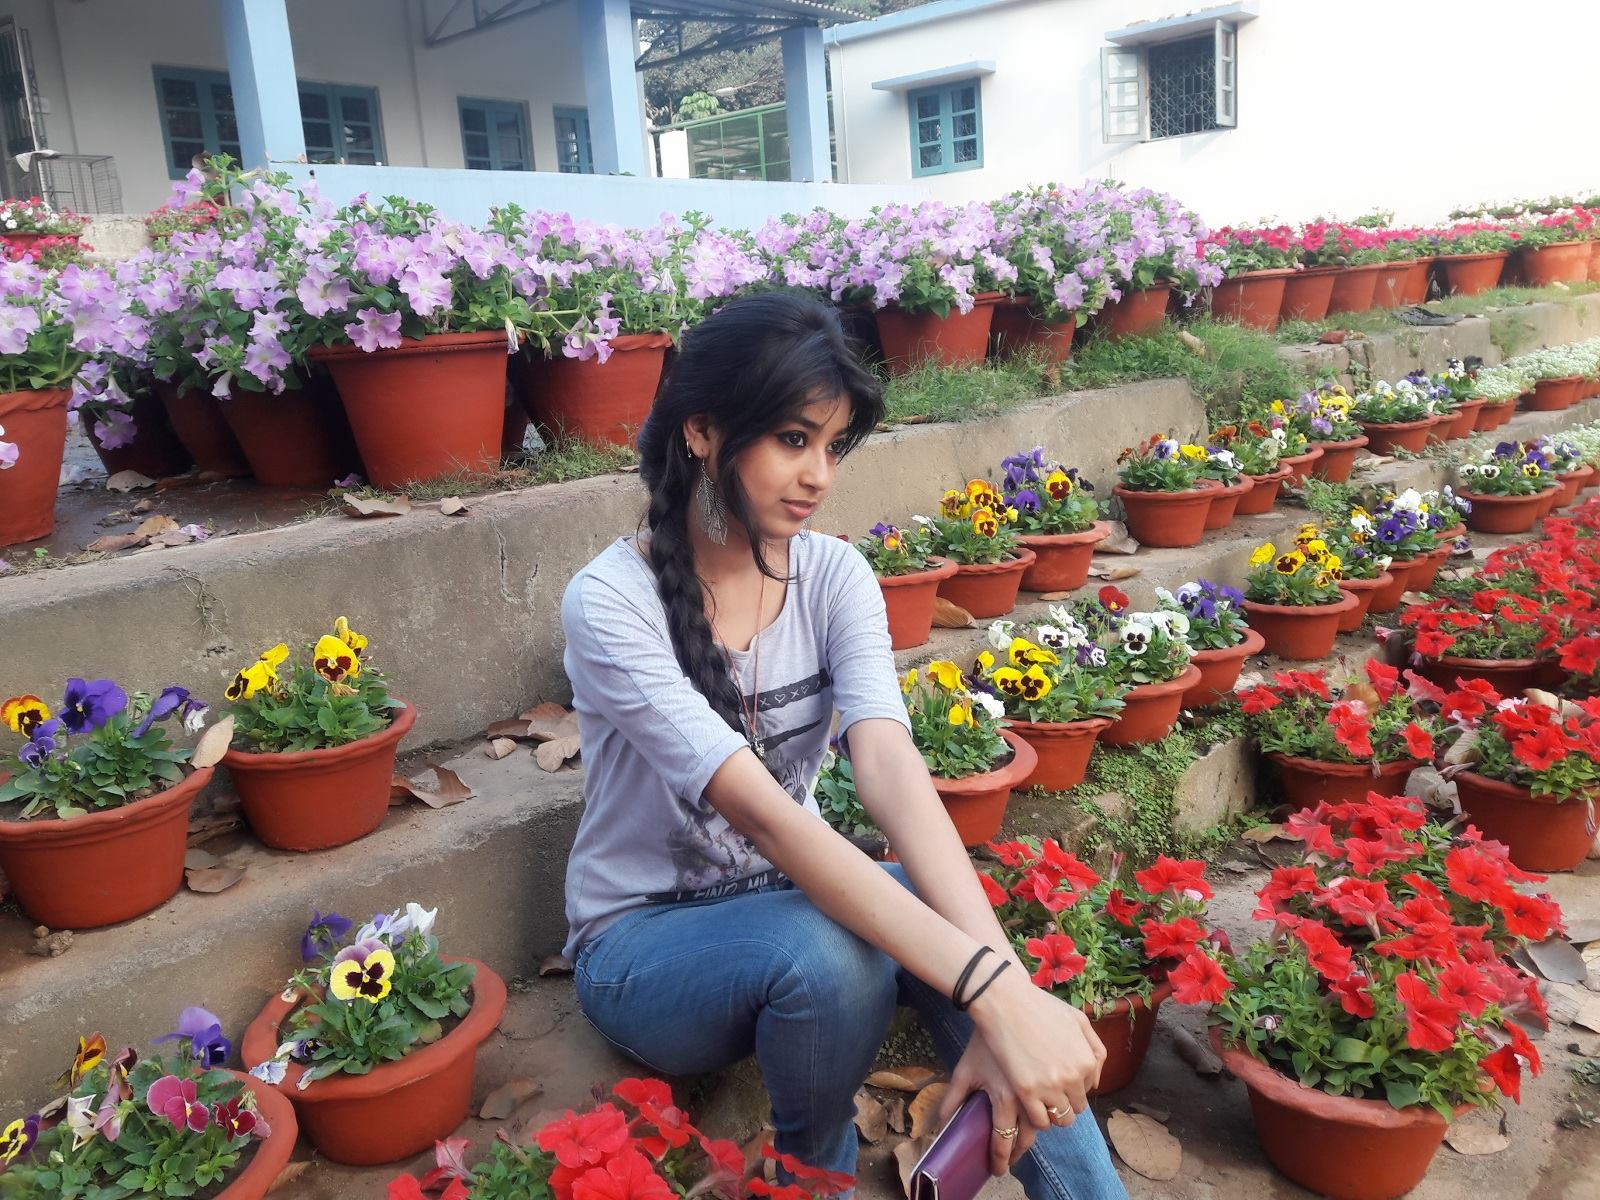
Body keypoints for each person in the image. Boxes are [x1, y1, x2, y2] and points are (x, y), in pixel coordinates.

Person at [560, 292, 1127, 1200]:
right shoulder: (612, 601)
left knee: (945, 932)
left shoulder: (834, 575)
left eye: (833, 446)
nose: (819, 475)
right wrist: (995, 991)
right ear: (702, 430)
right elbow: (768, 820)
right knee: (831, 951)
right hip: (644, 948)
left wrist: (1009, 1000)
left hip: (792, 900)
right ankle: (811, 1173)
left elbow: (891, 772)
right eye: (793, 439)